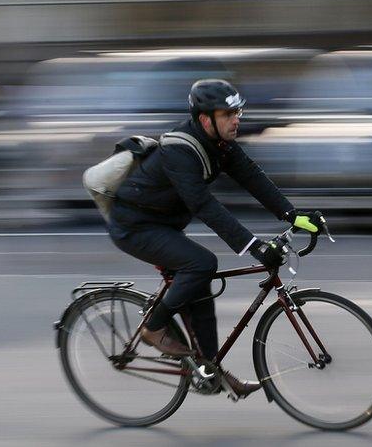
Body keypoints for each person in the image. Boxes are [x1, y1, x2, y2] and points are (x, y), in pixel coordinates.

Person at [106, 78, 324, 398]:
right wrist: (254, 246)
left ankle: (210, 370)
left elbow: (252, 177)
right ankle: (154, 328)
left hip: (163, 224)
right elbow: (203, 205)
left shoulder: (220, 145)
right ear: (205, 119)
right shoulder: (179, 150)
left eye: (238, 112)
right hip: (134, 225)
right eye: (227, 114)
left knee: (200, 285)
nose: (236, 120)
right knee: (201, 263)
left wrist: (291, 214)